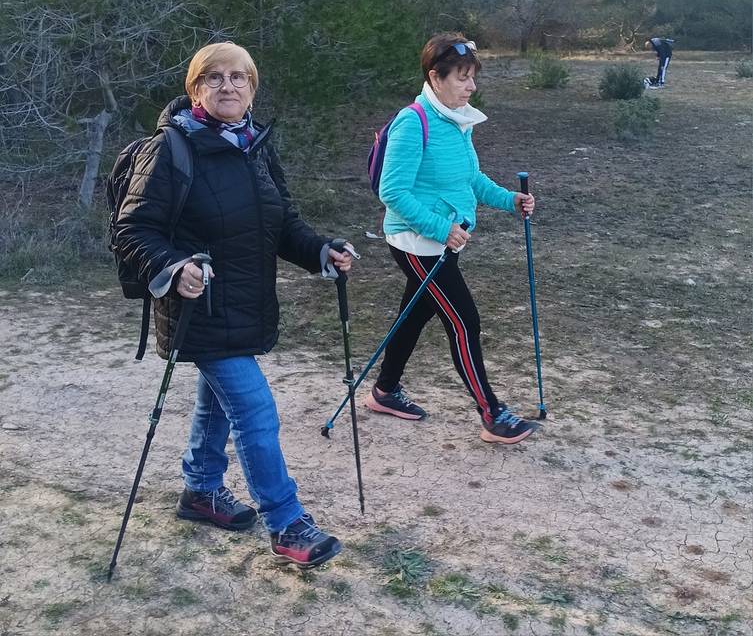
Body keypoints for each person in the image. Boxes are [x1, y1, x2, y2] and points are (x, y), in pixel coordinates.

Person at [115, 41, 353, 569]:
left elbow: (280, 222)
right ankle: (286, 522)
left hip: (247, 305)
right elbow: (132, 229)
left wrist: (319, 251)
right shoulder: (170, 150)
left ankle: (200, 491)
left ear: (253, 85)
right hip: (199, 309)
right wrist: (176, 269)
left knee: (217, 402)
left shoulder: (255, 145)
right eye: (214, 77)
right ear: (194, 88)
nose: (228, 86)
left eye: (238, 77)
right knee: (255, 411)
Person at [364, 33, 540, 445]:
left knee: (415, 313)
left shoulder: (458, 121)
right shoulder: (414, 121)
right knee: (464, 322)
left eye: (472, 77)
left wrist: (509, 199)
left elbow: (469, 179)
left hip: (445, 243)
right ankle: (492, 414)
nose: (471, 86)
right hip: (417, 243)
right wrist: (440, 228)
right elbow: (392, 191)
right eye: (463, 78)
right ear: (435, 77)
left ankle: (385, 391)